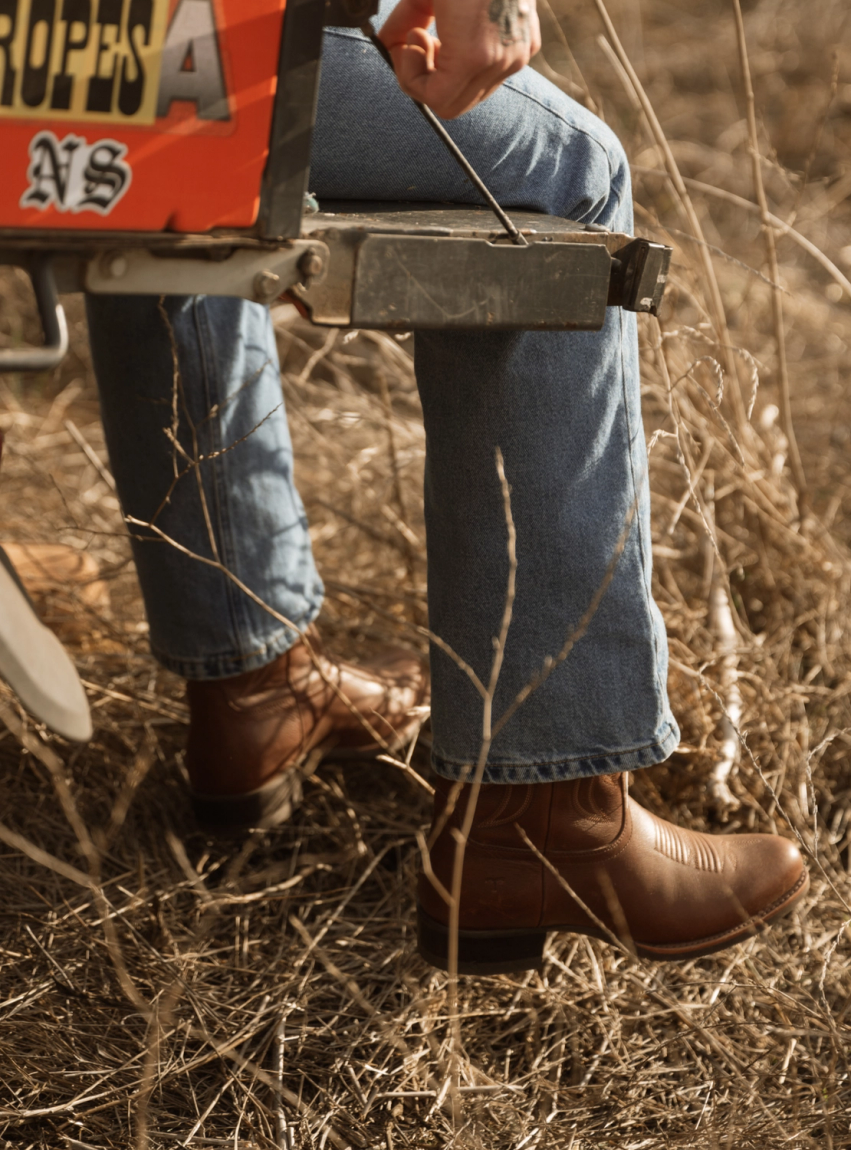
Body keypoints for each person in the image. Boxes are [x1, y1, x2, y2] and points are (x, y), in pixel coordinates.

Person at [84, 0, 808, 973]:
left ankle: (251, 689)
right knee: (570, 175)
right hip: (124, 56)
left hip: (55, 72)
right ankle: (543, 806)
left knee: (174, 176)